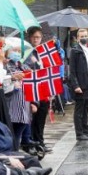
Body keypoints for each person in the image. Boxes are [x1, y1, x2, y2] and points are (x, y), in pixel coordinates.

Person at [24, 25, 52, 154]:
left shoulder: (43, 51)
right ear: (30, 38)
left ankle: (40, 141)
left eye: (38, 37)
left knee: (42, 115)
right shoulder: (25, 51)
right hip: (32, 86)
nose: (36, 40)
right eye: (34, 37)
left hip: (43, 86)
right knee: (32, 116)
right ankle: (31, 141)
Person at [68, 28, 88, 141]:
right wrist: (76, 85)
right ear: (77, 38)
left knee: (86, 108)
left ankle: (86, 130)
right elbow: (72, 70)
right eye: (82, 36)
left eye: (85, 36)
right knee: (79, 109)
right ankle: (79, 133)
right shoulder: (75, 51)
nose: (84, 38)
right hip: (81, 82)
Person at [4, 40, 33, 151]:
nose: (16, 53)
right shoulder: (5, 66)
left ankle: (16, 152)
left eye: (18, 51)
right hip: (12, 104)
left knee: (19, 132)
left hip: (24, 104)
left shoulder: (22, 65)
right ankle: (13, 153)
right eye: (14, 50)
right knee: (12, 133)